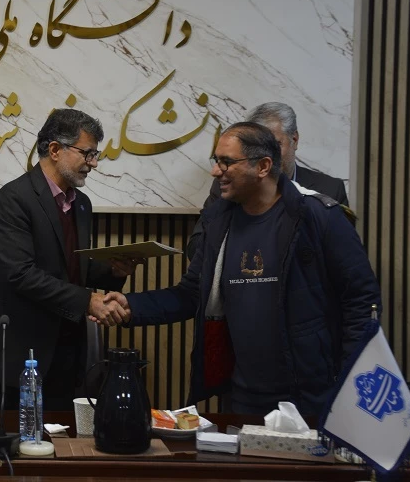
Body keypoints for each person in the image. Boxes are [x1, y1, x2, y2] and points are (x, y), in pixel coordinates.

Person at [97, 122, 380, 416]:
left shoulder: (317, 216)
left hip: (312, 397)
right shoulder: (218, 222)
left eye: (226, 162)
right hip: (242, 397)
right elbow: (192, 294)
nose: (215, 171)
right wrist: (132, 306)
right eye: (216, 160)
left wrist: (350, 379)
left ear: (263, 166)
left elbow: (362, 300)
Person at [0, 109, 137, 411]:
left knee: (60, 440)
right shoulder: (14, 198)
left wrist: (114, 271)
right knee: (3, 440)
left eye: (95, 155)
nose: (93, 163)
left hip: (63, 359)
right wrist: (88, 301)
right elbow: (21, 274)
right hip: (11, 357)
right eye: (87, 153)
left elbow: (69, 267)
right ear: (55, 150)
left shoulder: (81, 204)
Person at [186, 102, 348, 261]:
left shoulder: (329, 190)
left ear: (294, 140)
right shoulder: (229, 186)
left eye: (276, 145)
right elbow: (196, 250)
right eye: (257, 148)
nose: (267, 157)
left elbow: (342, 257)